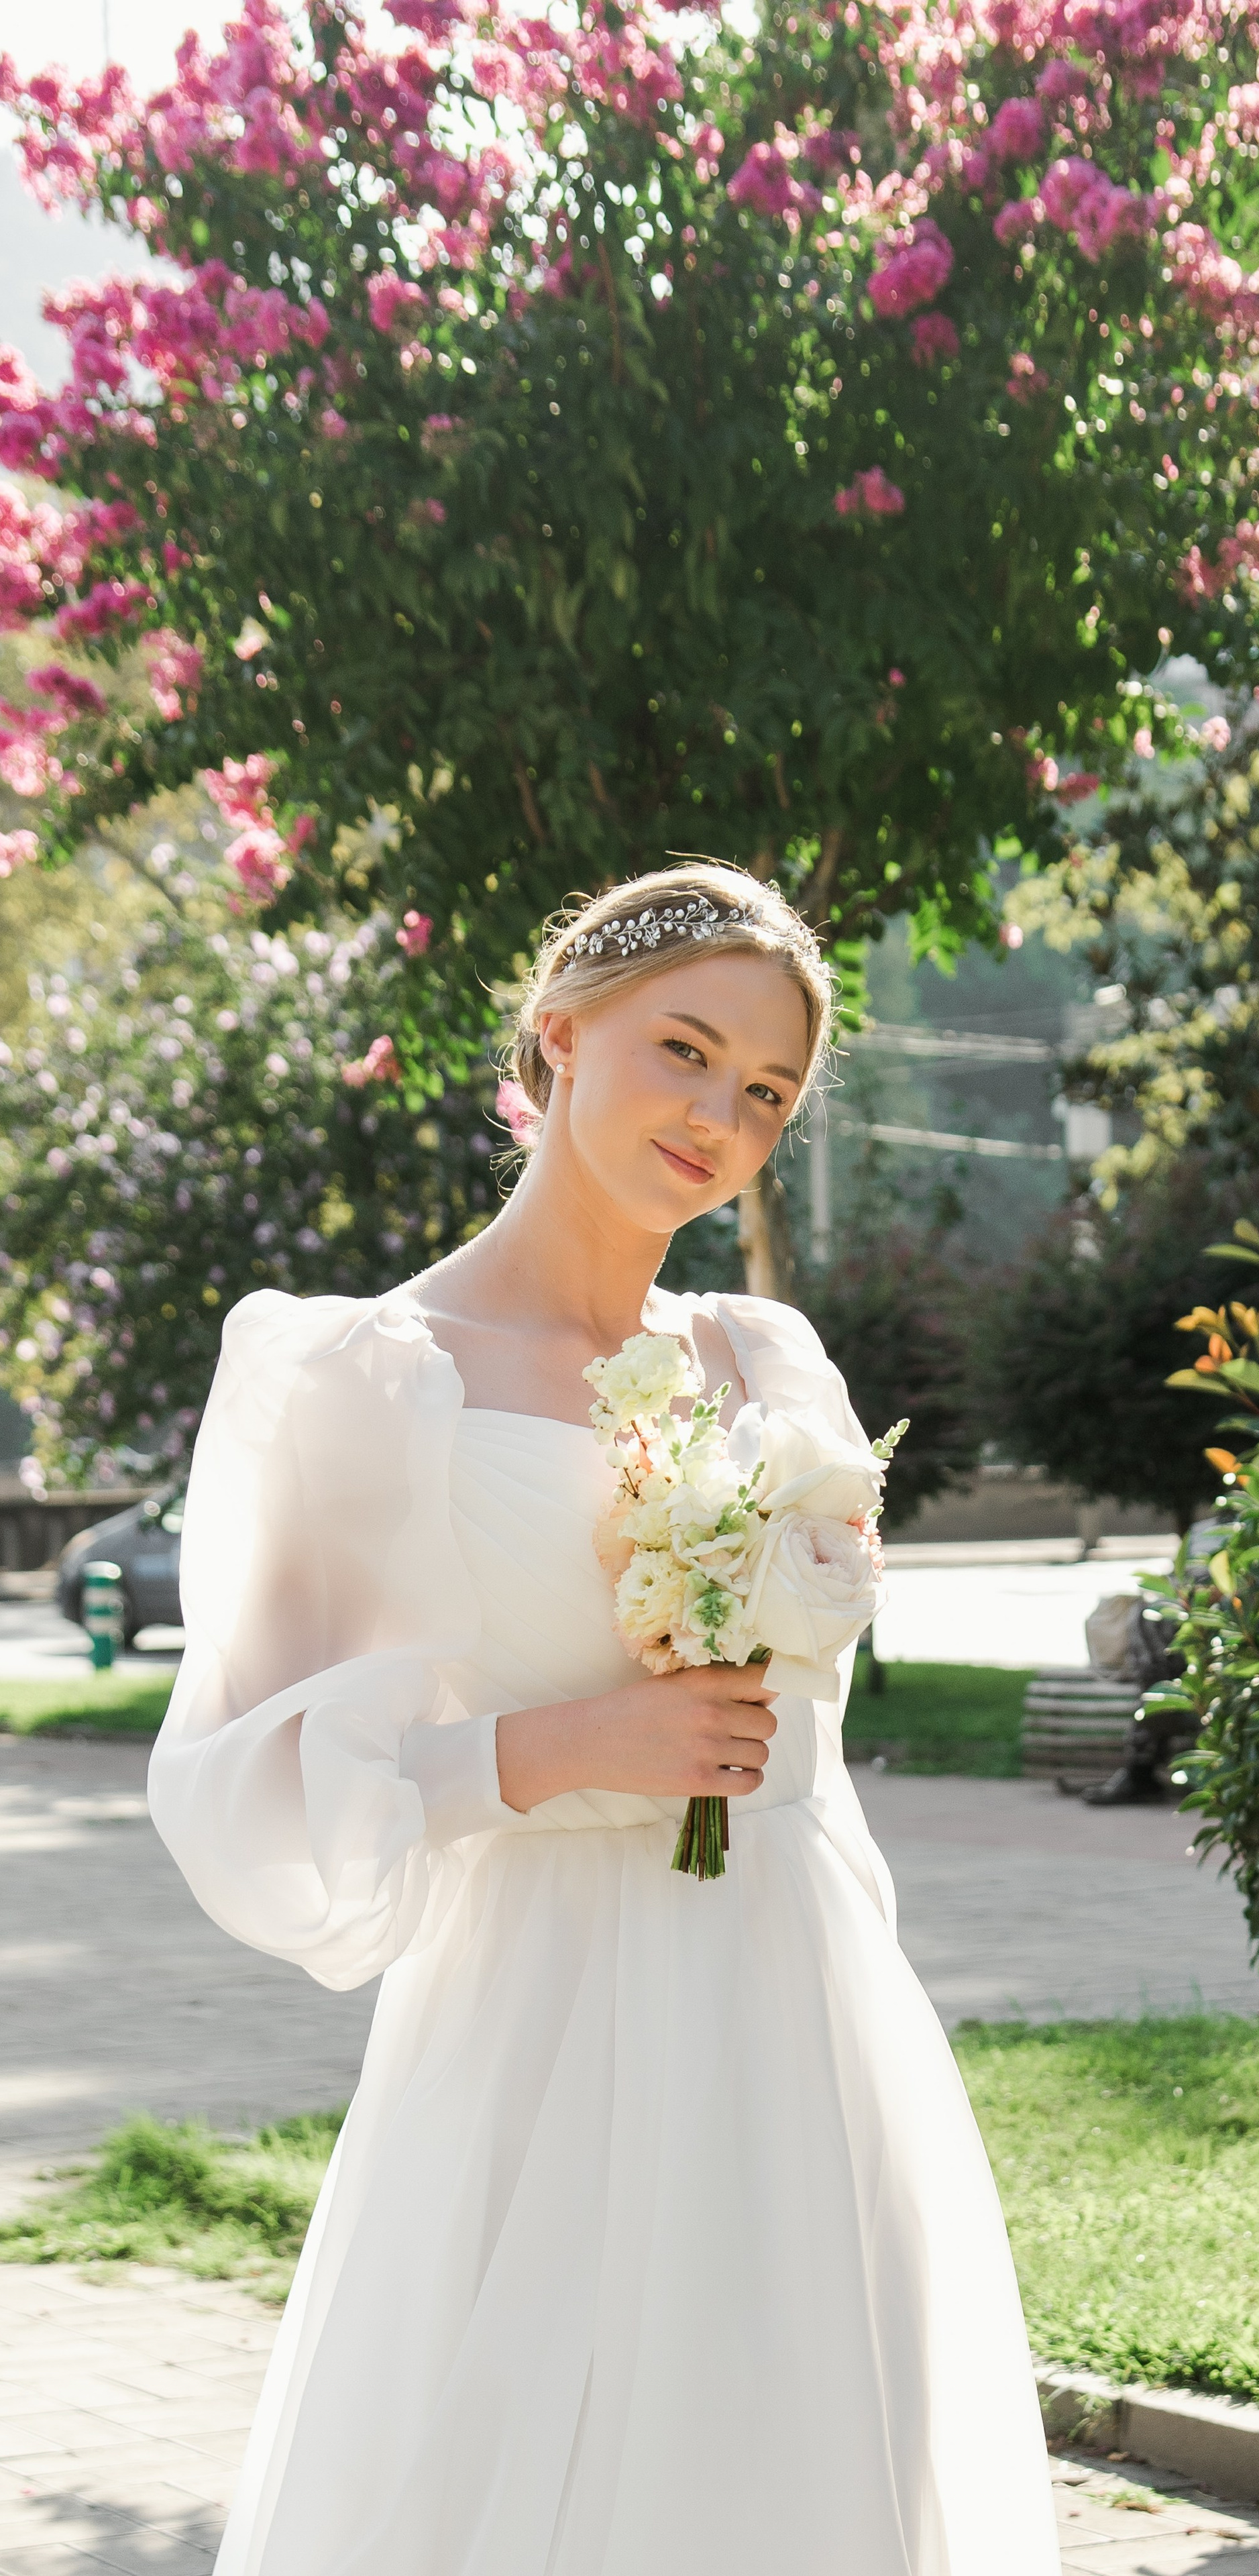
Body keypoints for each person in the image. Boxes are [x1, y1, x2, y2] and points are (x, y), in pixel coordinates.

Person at [148, 861, 1058, 2576]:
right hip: (540, 2018)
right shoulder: (358, 1377)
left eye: (766, 1092)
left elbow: (805, 1726)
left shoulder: (768, 1365)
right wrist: (560, 1752)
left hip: (795, 1997)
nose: (718, 1116)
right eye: (683, 1051)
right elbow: (239, 1780)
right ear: (558, 1037)